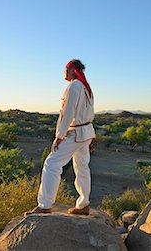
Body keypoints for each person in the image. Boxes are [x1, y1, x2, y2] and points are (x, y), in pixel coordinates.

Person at [27, 59, 95, 215]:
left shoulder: (74, 86)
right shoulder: (86, 87)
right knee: (82, 167)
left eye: (66, 69)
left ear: (72, 70)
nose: (64, 72)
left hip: (75, 133)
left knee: (52, 164)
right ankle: (83, 204)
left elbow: (67, 113)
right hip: (85, 133)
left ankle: (44, 205)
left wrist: (60, 135)